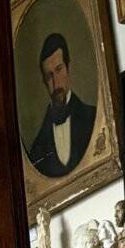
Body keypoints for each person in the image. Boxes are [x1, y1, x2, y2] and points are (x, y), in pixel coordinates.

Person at [26, 31, 95, 179]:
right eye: (49, 76)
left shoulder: (93, 118)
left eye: (59, 70)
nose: (56, 83)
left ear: (68, 67)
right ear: (44, 81)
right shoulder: (37, 150)